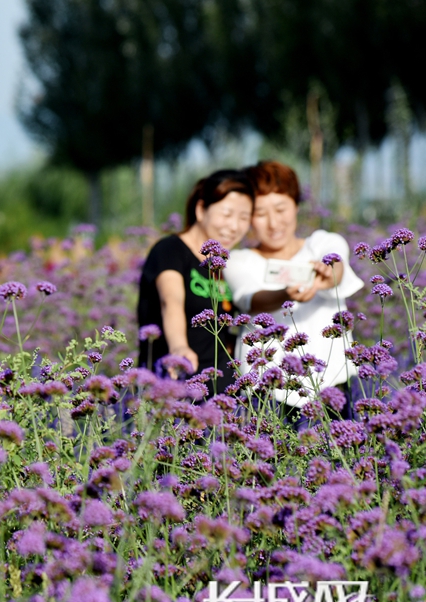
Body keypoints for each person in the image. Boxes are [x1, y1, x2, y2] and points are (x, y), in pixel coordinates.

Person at [223, 160, 363, 414]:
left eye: (281, 209)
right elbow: (249, 298)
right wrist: (286, 294)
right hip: (266, 395)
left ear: (296, 206)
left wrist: (328, 274)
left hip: (330, 387)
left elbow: (336, 266)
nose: (273, 223)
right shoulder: (237, 260)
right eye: (260, 213)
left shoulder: (322, 243)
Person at [137, 169, 254, 396]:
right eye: (227, 214)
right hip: (174, 383)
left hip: (223, 394)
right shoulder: (170, 250)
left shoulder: (229, 264)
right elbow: (170, 301)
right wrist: (179, 346)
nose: (234, 226)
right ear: (201, 210)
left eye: (244, 218)